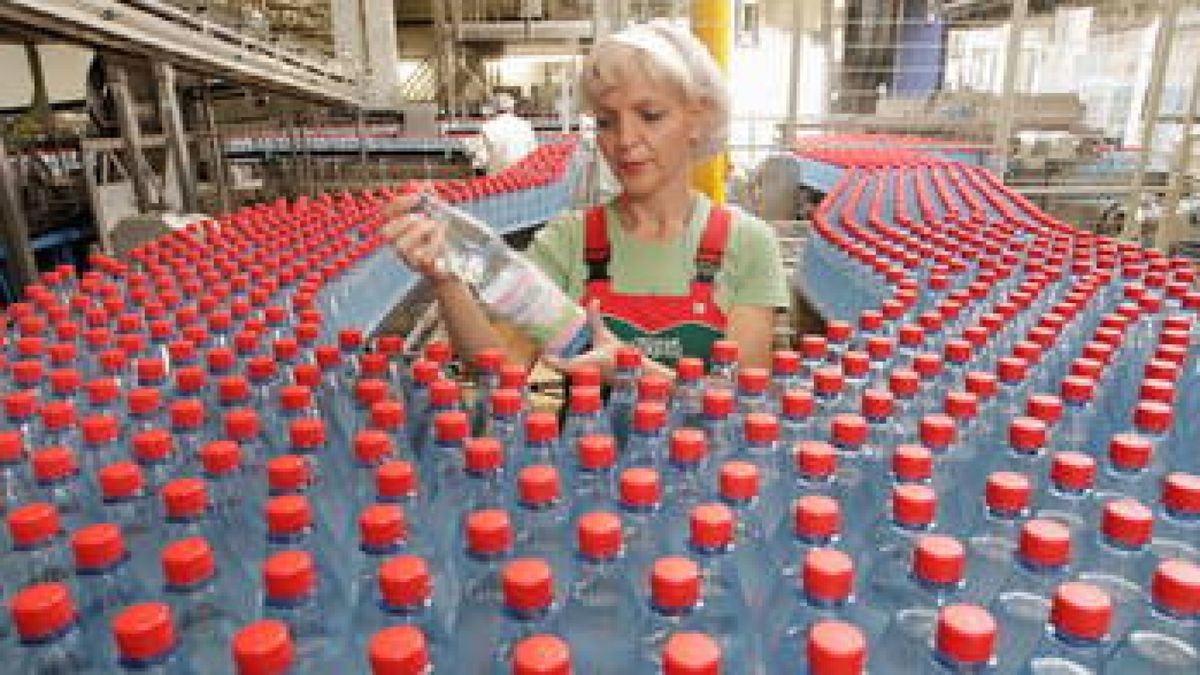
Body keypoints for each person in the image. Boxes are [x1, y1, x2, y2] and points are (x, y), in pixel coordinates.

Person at [383, 20, 789, 377]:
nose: (625, 140)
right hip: (583, 459)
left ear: (697, 120)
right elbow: (501, 368)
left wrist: (633, 373)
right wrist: (446, 278)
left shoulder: (747, 245)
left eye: (650, 116)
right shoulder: (570, 240)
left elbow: (740, 405)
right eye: (607, 122)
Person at [476, 92, 538, 176]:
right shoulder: (526, 125)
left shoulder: (487, 127)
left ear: (494, 109)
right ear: (512, 108)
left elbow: (481, 160)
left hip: (498, 180)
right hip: (522, 177)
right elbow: (533, 154)